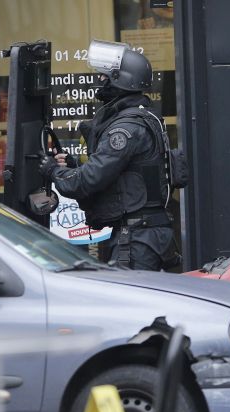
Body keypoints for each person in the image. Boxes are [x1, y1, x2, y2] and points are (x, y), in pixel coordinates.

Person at [39, 39, 178, 271]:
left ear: (121, 80)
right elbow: (122, 175)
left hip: (139, 239)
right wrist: (72, 165)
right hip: (145, 234)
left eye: (105, 75)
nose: (99, 80)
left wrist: (54, 171)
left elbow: (89, 180)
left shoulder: (124, 130)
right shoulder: (142, 117)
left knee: (132, 305)